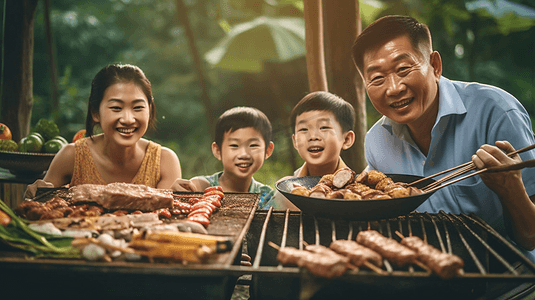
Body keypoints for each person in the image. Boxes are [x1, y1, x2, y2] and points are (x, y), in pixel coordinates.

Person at [351, 14, 535, 265]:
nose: (393, 88)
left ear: (435, 65)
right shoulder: (377, 141)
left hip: (506, 274)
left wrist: (511, 189)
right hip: (429, 273)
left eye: (403, 69)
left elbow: (531, 237)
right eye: (377, 78)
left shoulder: (496, 112)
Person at [25, 63, 182, 197]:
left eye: (138, 107)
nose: (128, 119)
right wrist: (36, 193)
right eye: (116, 108)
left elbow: (168, 218)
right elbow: (42, 204)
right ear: (95, 112)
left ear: (149, 110)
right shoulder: (72, 156)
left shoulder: (165, 162)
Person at [173, 106, 275, 209]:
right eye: (234, 145)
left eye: (253, 145)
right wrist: (173, 195)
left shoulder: (266, 196)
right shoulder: (201, 186)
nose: (244, 154)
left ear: (267, 150)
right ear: (217, 150)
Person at [268, 91, 356, 210]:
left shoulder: (358, 191)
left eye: (324, 127)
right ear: (295, 141)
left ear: (346, 139)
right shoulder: (285, 190)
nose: (313, 136)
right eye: (303, 129)